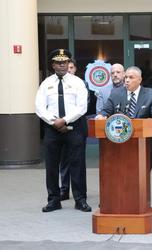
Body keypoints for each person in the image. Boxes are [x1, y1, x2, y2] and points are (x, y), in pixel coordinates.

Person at [35, 49, 91, 212]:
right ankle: (54, 200)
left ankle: (80, 200)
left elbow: (82, 107)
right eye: (59, 62)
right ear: (53, 65)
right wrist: (54, 122)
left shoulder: (77, 82)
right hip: (52, 129)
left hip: (75, 128)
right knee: (51, 166)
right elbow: (39, 107)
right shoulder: (46, 83)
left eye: (65, 62)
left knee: (77, 165)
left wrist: (64, 120)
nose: (62, 65)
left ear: (68, 64)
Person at [96, 66, 152, 168]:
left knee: (143, 175)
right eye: (126, 77)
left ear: (139, 79)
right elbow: (105, 111)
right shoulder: (116, 93)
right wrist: (101, 116)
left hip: (145, 144)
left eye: (131, 77)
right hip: (120, 143)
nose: (127, 80)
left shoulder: (150, 94)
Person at [58, 59, 80, 201]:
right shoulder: (56, 84)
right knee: (64, 161)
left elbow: (83, 106)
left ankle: (79, 194)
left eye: (71, 67)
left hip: (77, 127)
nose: (69, 70)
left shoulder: (81, 84)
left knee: (77, 162)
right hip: (60, 128)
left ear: (75, 69)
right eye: (67, 67)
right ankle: (64, 190)